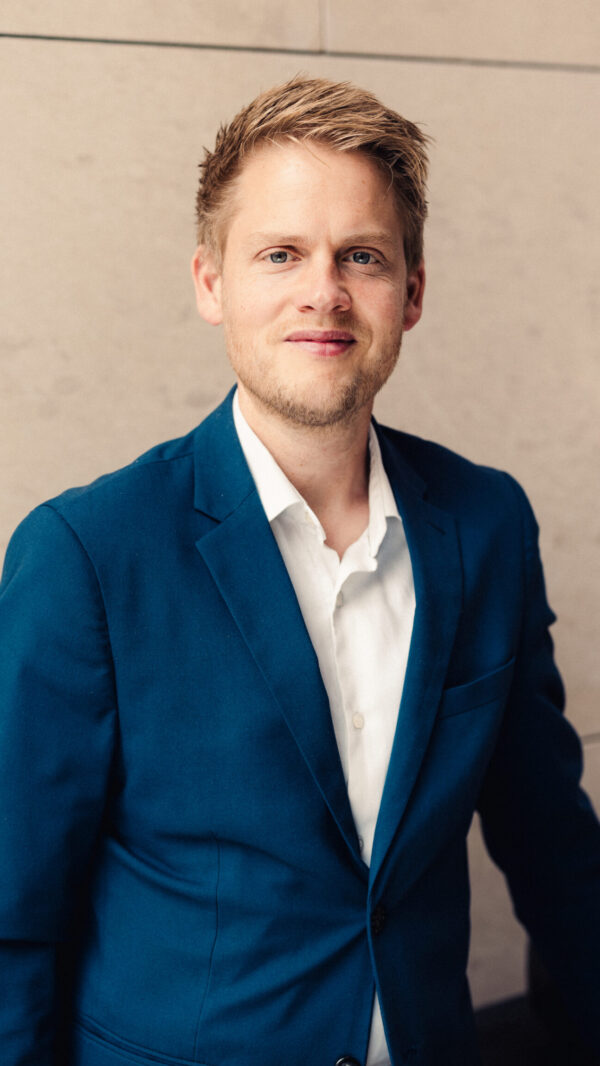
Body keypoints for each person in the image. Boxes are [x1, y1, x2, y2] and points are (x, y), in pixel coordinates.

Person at [0, 75, 598, 1066]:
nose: (325, 290)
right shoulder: (86, 555)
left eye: (362, 255)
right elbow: (12, 919)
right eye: (280, 253)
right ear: (211, 284)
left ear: (411, 292)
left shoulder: (487, 523)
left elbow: (555, 853)